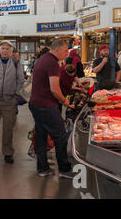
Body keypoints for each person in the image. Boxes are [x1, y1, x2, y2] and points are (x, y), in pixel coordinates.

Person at [28, 38, 74, 179]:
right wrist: (65, 102)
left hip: (36, 104)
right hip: (46, 105)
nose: (67, 54)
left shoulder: (43, 59)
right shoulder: (52, 63)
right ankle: (64, 169)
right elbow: (54, 89)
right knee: (60, 136)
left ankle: (43, 169)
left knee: (41, 137)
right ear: (58, 49)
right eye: (66, 51)